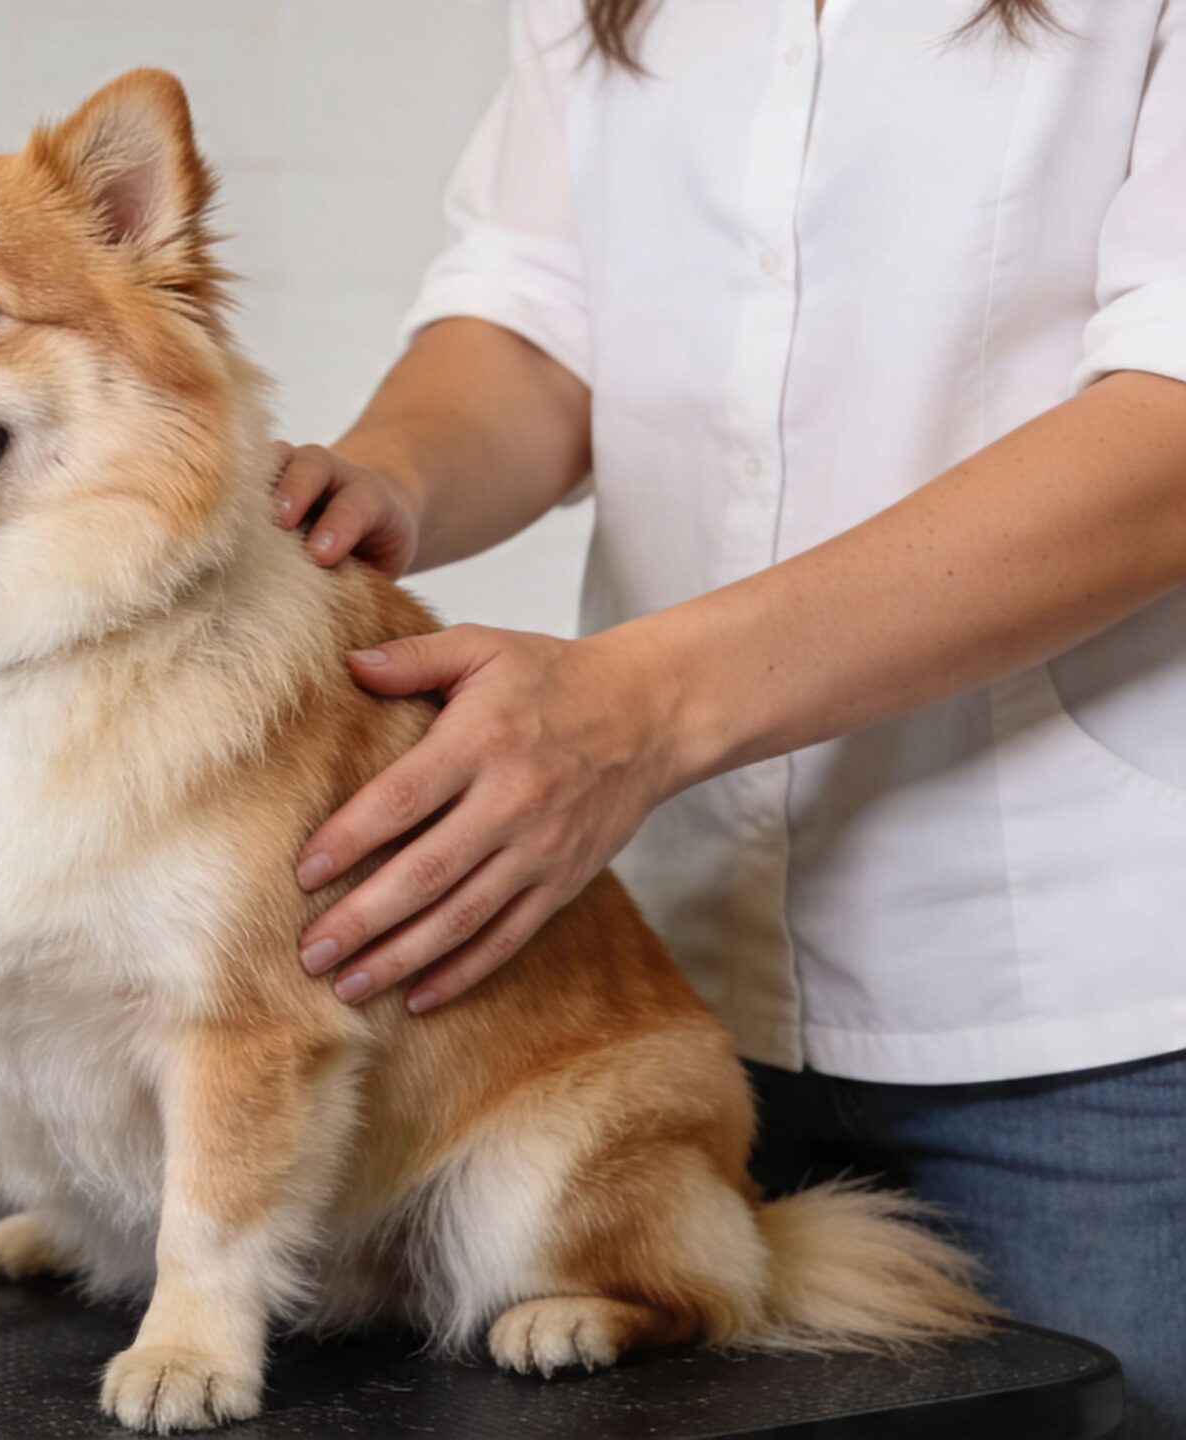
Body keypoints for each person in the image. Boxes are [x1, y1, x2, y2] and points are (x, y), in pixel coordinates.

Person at [275, 2, 1186, 1434]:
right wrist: (389, 477)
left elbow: (1173, 428)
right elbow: (536, 309)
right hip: (672, 972)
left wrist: (644, 708)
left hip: (1082, 1010)